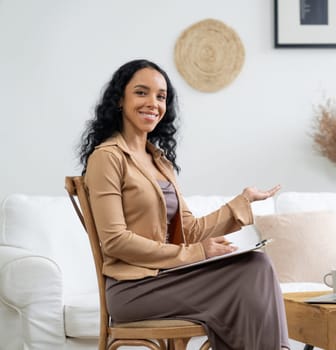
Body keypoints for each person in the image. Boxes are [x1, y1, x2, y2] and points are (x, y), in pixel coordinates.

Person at [78, 59, 290, 350]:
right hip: (133, 290)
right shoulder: (107, 157)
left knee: (256, 263)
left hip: (167, 279)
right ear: (119, 99)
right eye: (141, 92)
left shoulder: (160, 161)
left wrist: (242, 202)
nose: (153, 102)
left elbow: (189, 229)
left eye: (161, 96)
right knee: (253, 272)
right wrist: (196, 253)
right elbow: (115, 241)